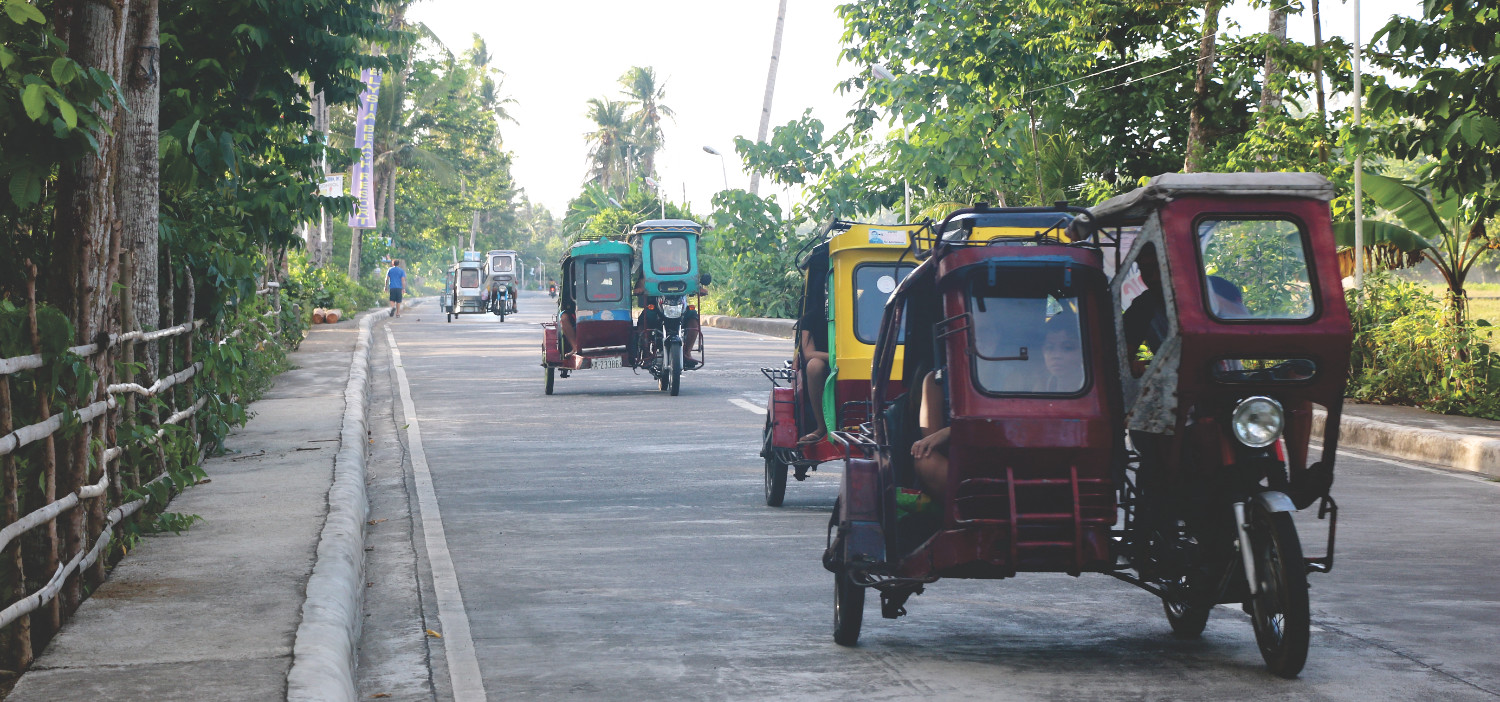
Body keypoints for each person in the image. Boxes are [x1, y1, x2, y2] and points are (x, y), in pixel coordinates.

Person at [910, 369, 950, 501]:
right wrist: (950, 432)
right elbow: (931, 437)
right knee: (925, 458)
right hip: (955, 458)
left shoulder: (1012, 370)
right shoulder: (937, 379)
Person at [798, 308, 831, 445]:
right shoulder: (811, 318)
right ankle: (821, 427)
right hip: (827, 363)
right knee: (814, 366)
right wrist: (835, 358)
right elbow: (808, 354)